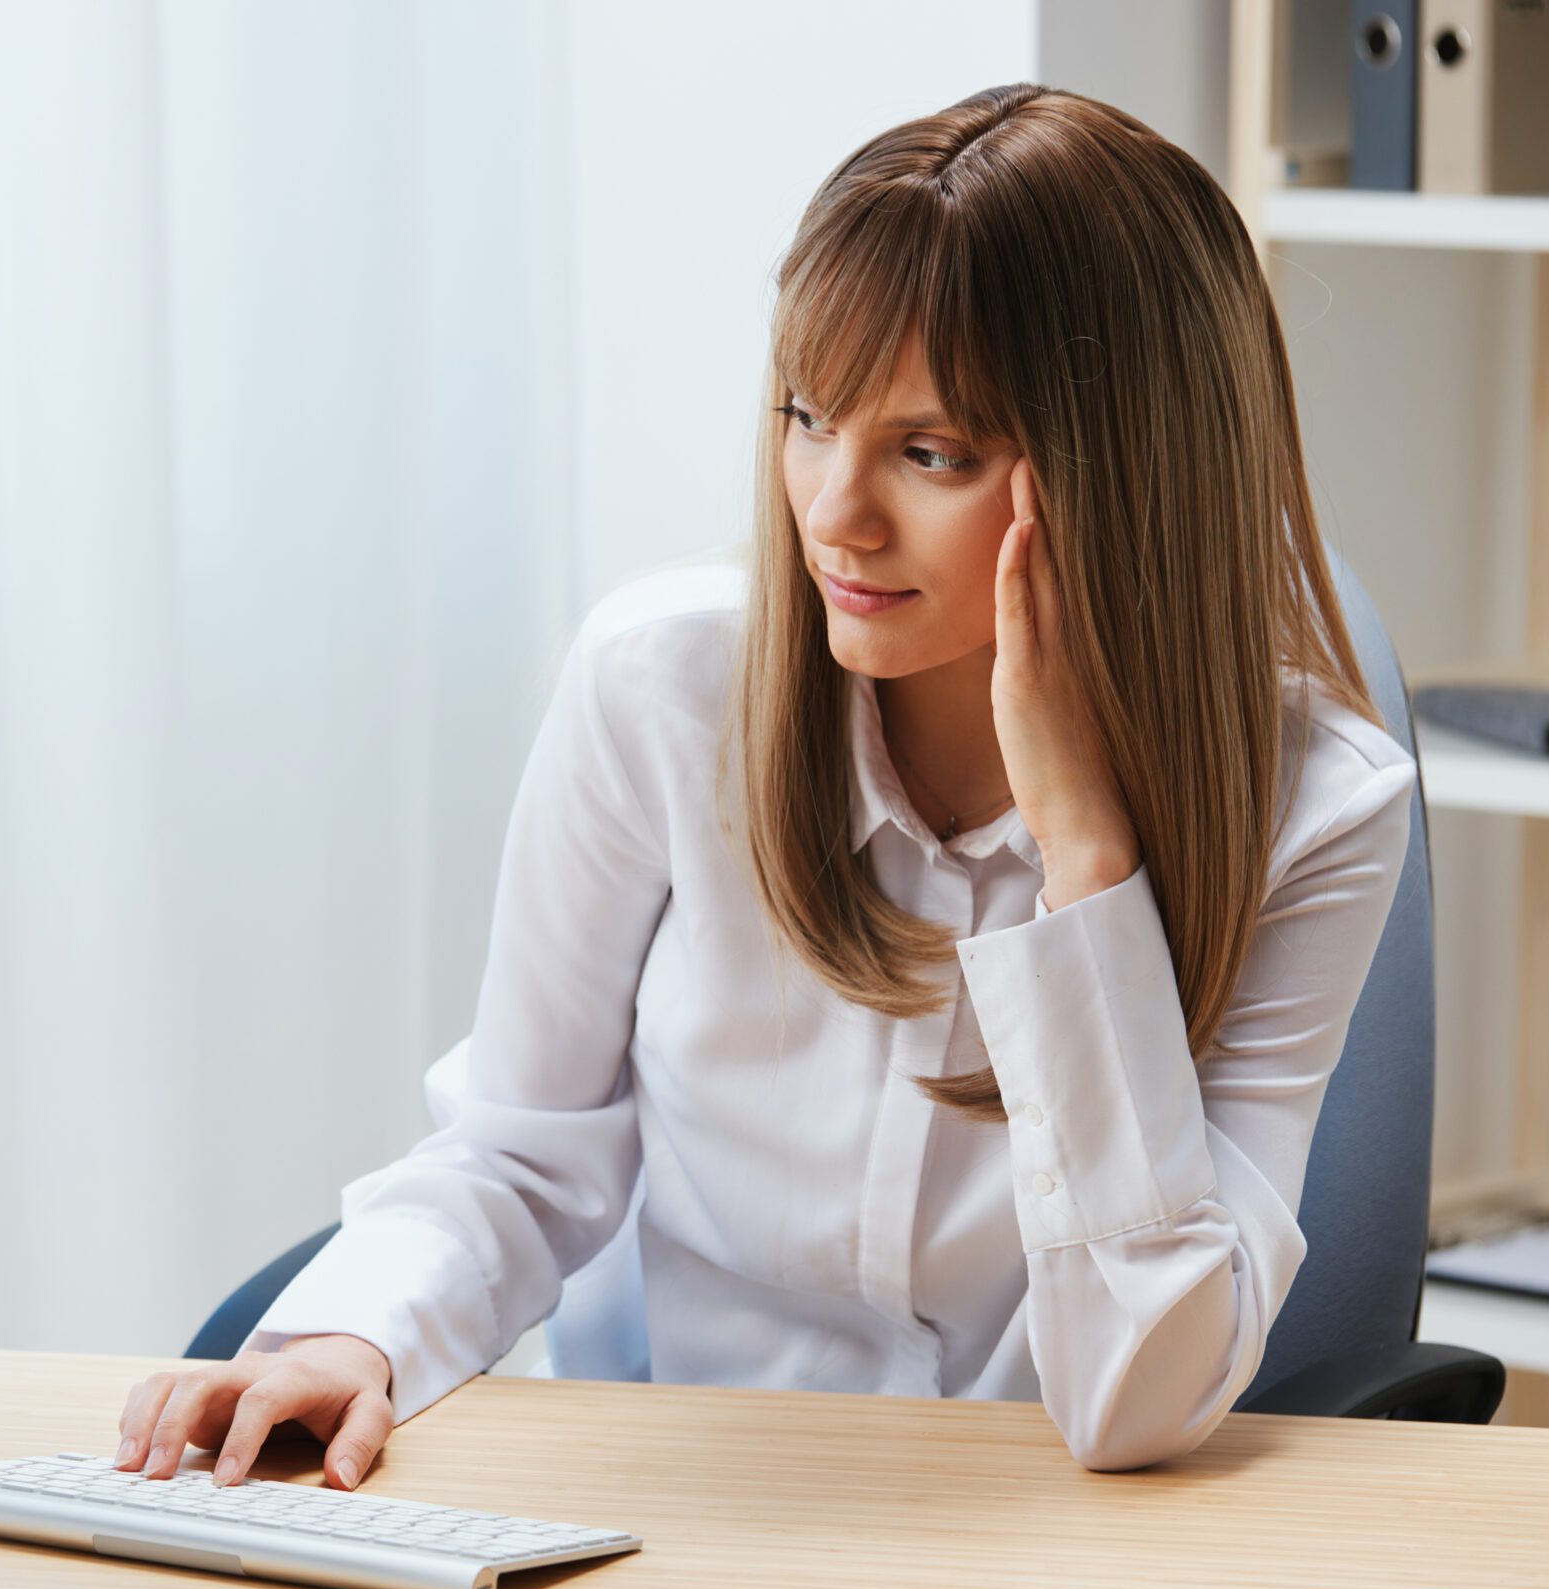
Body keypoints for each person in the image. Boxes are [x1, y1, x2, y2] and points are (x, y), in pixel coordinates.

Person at [112, 81, 1416, 1488]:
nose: (834, 514)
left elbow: (1138, 1402)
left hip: (1041, 1547)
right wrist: (356, 1337)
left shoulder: (1318, 810)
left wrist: (1086, 862)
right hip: (675, 1522)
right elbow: (520, 1157)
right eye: (808, 415)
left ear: (1125, 472)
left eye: (931, 452)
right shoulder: (658, 694)